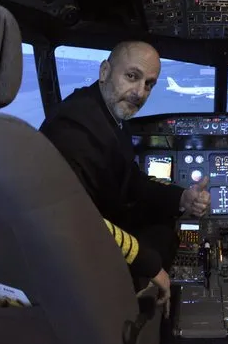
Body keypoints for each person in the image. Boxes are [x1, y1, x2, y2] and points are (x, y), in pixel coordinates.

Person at [40, 41, 211, 308]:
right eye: (132, 76)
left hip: (102, 225)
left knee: (165, 219)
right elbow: (74, 220)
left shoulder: (109, 114)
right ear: (104, 71)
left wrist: (183, 199)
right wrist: (151, 266)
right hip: (79, 258)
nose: (140, 92)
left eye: (149, 84)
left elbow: (132, 182)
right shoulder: (75, 130)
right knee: (165, 237)